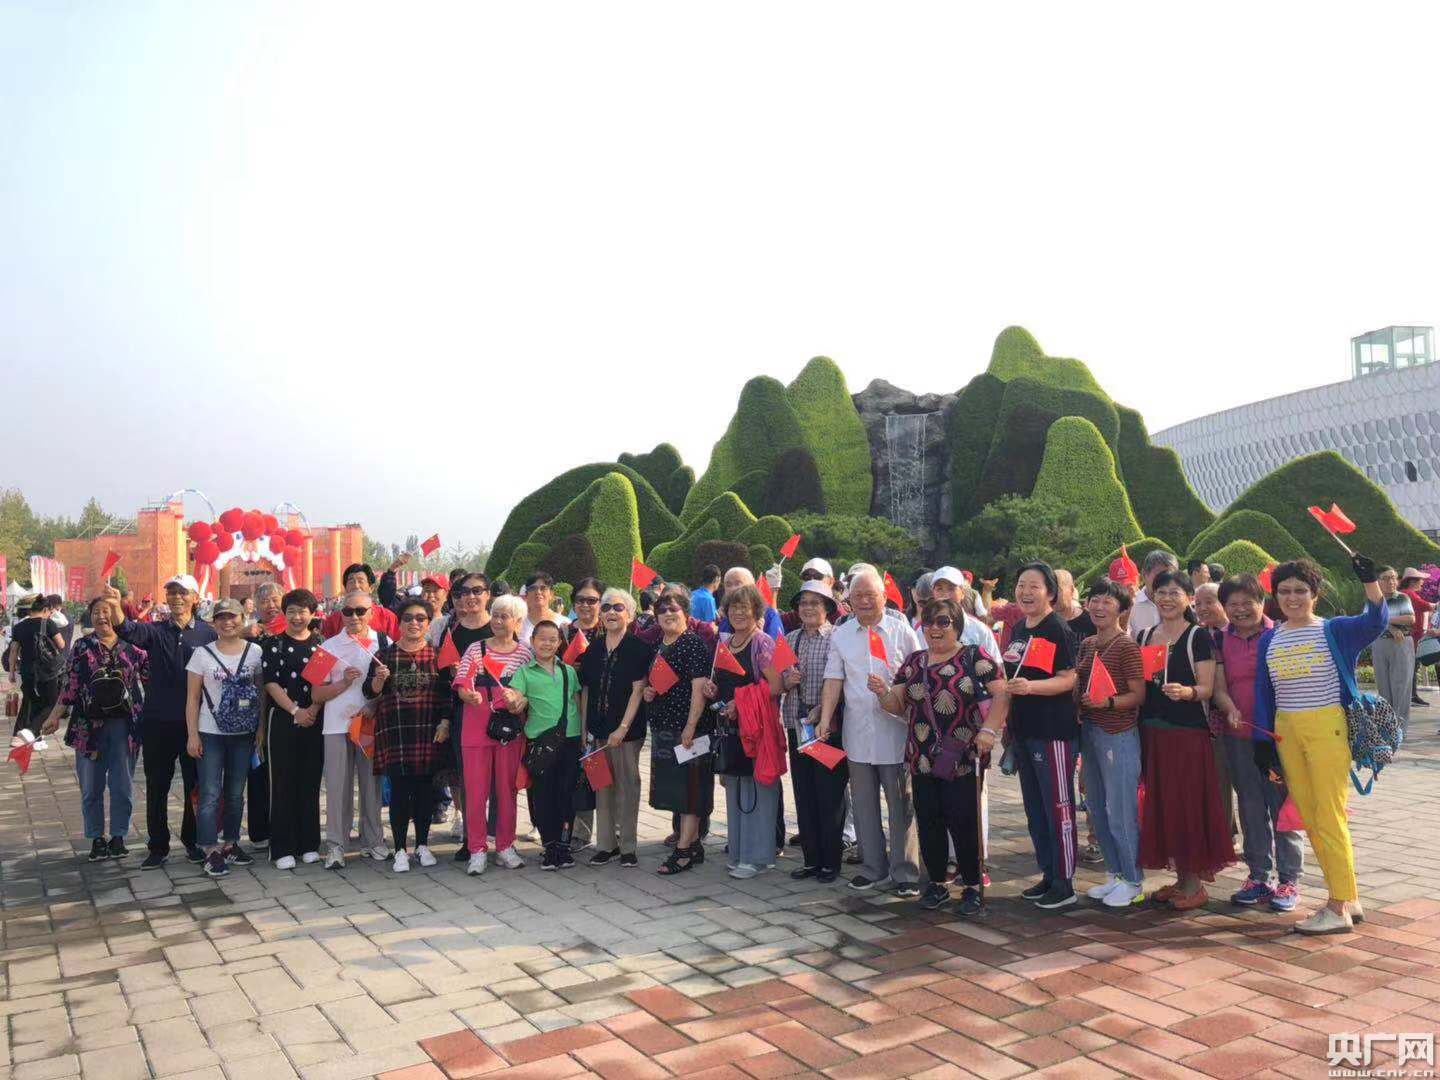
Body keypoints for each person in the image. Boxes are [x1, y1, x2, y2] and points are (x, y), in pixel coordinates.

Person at [1255, 555, 1386, 934]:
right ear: (1275, 595)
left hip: (1327, 726)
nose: (1292, 598)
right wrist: (1263, 742)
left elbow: (1375, 622)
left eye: (1301, 590)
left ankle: (1337, 906)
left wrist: (1370, 582)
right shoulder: (1269, 639)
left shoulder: (1335, 630)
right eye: (1284, 591)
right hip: (1286, 731)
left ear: (1315, 594)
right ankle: (1348, 895)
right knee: (1310, 817)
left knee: (1328, 815)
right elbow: (1264, 693)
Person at [880, 597, 1009, 915]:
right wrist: (881, 693)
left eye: (943, 622)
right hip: (921, 757)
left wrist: (989, 730)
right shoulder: (914, 662)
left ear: (957, 625)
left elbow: (1002, 693)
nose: (934, 628)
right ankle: (937, 883)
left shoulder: (974, 657)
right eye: (928, 622)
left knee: (964, 822)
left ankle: (972, 886)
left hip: (962, 756)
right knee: (929, 821)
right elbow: (897, 705)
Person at [819, 570, 922, 896]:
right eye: (857, 596)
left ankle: (905, 872)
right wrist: (825, 718)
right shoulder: (842, 634)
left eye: (870, 595)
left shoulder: (902, 632)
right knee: (863, 806)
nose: (863, 601)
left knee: (901, 807)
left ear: (884, 597)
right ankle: (872, 868)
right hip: (858, 734)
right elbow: (834, 679)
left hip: (895, 733)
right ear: (848, 599)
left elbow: (918, 676)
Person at [1134, 571, 1233, 908]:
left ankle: (1194, 886)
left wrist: (1186, 692)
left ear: (1188, 597)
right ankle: (1180, 879)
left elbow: (1207, 688)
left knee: (1187, 805)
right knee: (1164, 805)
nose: (1166, 599)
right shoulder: (1145, 636)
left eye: (1174, 592)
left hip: (1187, 735)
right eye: (1161, 592)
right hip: (1153, 732)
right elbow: (1142, 683)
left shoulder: (1197, 636)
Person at [1207, 574, 1302, 911]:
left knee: (1281, 806)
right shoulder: (1219, 639)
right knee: (1249, 806)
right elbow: (1219, 688)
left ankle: (1289, 880)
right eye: (1232, 604)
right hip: (1238, 739)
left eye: (1247, 602)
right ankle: (1259, 876)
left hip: (1277, 741)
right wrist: (1229, 709)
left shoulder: (1279, 635)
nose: (1240, 609)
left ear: (1263, 602)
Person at [108, 577, 216, 870]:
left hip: (195, 724)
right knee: (157, 786)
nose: (177, 597)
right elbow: (126, 629)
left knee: (196, 784)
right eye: (172, 592)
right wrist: (116, 606)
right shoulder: (155, 631)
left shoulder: (207, 633)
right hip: (158, 721)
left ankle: (193, 841)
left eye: (182, 592)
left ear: (195, 598)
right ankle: (158, 846)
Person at [40, 595, 149, 861]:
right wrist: (54, 716)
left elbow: (152, 682)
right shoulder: (82, 646)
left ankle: (119, 836)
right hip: (87, 728)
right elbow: (71, 685)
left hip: (125, 727)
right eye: (96, 611)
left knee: (122, 785)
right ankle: (96, 838)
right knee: (91, 786)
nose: (102, 616)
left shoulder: (135, 647)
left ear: (118, 614)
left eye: (107, 611)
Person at [1001, 562, 1080, 909]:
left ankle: (1065, 882)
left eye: (1034, 586)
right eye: (1021, 585)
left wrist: (1031, 687)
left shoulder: (1057, 628)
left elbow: (1069, 678)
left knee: (1058, 808)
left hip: (1053, 733)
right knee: (1036, 810)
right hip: (1024, 731)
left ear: (1050, 592)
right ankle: (1048, 874)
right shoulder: (1020, 628)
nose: (1026, 592)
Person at [1072, 580, 1147, 907]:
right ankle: (1115, 874)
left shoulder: (1126, 646)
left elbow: (1138, 695)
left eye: (1107, 602)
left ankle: (1133, 880)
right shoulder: (1088, 643)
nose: (1099, 607)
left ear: (1122, 609)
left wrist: (1109, 703)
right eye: (1094, 600)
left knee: (1120, 811)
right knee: (1097, 809)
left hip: (1118, 734)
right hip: (1090, 732)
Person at [363, 598, 449, 872]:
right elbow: (369, 691)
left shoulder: (437, 654)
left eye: (421, 618)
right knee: (400, 791)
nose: (414, 623)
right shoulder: (384, 655)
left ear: (428, 623)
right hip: (396, 731)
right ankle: (400, 848)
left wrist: (445, 722)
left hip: (428, 731)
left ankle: (422, 845)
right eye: (408, 618)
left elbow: (447, 694)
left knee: (425, 790)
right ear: (399, 623)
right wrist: (378, 679)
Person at [451, 593, 532, 875]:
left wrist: (520, 700)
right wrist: (467, 694)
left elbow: (530, 690)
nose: (497, 621)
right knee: (475, 791)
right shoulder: (476, 649)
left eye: (504, 616)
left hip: (509, 729)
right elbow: (462, 683)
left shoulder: (525, 653)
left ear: (517, 622)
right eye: (495, 615)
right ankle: (476, 849)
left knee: (507, 790)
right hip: (475, 727)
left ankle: (505, 846)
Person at [184, 598, 264, 879]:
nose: (228, 622)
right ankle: (209, 848)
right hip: (210, 732)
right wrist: (192, 735)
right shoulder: (201, 654)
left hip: (243, 733)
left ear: (243, 619)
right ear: (213, 623)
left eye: (233, 617)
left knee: (235, 793)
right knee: (209, 793)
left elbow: (261, 694)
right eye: (221, 618)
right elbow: (192, 698)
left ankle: (230, 843)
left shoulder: (255, 652)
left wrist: (261, 730)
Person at [708, 584, 784, 879]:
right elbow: (722, 684)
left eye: (745, 607)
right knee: (736, 790)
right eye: (734, 607)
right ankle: (739, 852)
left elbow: (775, 686)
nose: (738, 612)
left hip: (757, 729)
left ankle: (758, 857)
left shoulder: (762, 643)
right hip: (731, 730)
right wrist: (713, 691)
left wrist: (740, 704)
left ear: (756, 611)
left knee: (757, 792)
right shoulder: (726, 643)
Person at [313, 589, 390, 869]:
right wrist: (343, 683)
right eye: (348, 611)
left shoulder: (385, 643)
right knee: (337, 788)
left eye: (360, 611)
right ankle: (336, 845)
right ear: (341, 614)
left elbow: (391, 688)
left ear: (372, 612)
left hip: (369, 723)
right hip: (336, 726)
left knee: (371, 786)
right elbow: (316, 694)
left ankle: (373, 841)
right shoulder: (327, 646)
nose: (354, 616)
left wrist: (373, 705)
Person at [643, 586, 714, 874]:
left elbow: (699, 689)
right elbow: (657, 683)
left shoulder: (693, 644)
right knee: (678, 789)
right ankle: (693, 845)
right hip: (665, 728)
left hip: (689, 731)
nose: (668, 614)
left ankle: (683, 851)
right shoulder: (660, 645)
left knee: (690, 791)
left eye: (674, 609)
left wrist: (690, 727)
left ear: (686, 613)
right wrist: (649, 692)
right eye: (662, 610)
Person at [577, 588, 650, 867]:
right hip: (597, 729)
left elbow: (638, 690)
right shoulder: (594, 648)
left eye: (618, 608)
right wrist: (584, 728)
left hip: (627, 733)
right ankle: (606, 845)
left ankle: (628, 845)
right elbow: (586, 690)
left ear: (629, 614)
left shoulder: (638, 648)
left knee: (627, 787)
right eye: (606, 607)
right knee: (602, 788)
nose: (611, 612)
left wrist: (622, 728)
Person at [780, 581, 847, 883]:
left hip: (826, 729)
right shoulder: (789, 638)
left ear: (828, 607)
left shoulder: (838, 638)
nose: (807, 608)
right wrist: (787, 682)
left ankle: (831, 861)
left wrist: (824, 708)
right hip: (798, 726)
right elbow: (777, 682)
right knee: (804, 793)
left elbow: (845, 681)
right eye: (803, 603)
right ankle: (811, 860)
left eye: (814, 602)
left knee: (829, 794)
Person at [503, 621, 581, 870]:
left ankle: (564, 846)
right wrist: (513, 699)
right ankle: (550, 846)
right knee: (543, 795)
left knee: (566, 794)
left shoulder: (568, 671)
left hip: (570, 739)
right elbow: (516, 698)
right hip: (540, 743)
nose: (547, 644)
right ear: (533, 641)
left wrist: (584, 734)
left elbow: (576, 701)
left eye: (552, 639)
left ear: (559, 643)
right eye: (542, 639)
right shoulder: (524, 672)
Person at [261, 589, 325, 870]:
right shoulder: (273, 644)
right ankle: (282, 847)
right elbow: (271, 683)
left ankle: (309, 844)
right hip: (284, 719)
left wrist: (312, 710)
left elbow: (321, 683)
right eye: (292, 612)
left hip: (314, 719)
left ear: (312, 614)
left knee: (310, 781)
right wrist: (296, 711)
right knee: (283, 782)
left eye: (302, 611)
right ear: (284, 614)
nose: (297, 617)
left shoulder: (320, 645)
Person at [433, 572, 494, 858]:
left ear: (488, 595)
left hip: (497, 713)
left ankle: (501, 837)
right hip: (463, 715)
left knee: (499, 779)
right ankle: (472, 838)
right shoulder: (452, 633)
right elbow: (443, 682)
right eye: (464, 592)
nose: (471, 597)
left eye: (477, 591)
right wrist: (445, 719)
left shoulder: (500, 627)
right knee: (468, 779)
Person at [565, 576, 606, 852]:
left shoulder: (609, 631)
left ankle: (611, 832)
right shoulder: (564, 633)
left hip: (604, 709)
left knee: (603, 772)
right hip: (571, 710)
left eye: (592, 600)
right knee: (580, 771)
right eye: (580, 600)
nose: (586, 605)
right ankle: (580, 831)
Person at [7, 594, 66, 739]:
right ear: (45, 609)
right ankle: (32, 730)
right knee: (51, 703)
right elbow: (61, 644)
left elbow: (13, 651)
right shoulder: (48, 624)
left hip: (27, 670)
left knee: (30, 701)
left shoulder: (19, 627)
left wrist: (12, 672)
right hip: (47, 670)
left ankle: (22, 737)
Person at [1372, 566, 1416, 727]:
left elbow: (1410, 619)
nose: (1391, 581)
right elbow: (1369, 621)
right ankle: (1387, 728)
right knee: (1383, 687)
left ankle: (1400, 730)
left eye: (1393, 577)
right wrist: (1390, 627)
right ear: (1378, 581)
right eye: (1386, 578)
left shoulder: (1402, 598)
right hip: (1380, 644)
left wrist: (1385, 620)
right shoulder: (1373, 600)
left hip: (1401, 643)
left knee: (1401, 687)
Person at [321, 564, 399, 639]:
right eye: (351, 582)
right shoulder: (333, 621)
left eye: (361, 581)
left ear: (371, 588)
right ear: (345, 589)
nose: (356, 586)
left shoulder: (388, 618)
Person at [717, 567, 785, 639]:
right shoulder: (725, 618)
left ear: (752, 586)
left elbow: (776, 644)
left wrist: (759, 637)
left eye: (738, 583)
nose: (733, 589)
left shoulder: (769, 616)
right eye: (728, 585)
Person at [1399, 568, 1433, 707]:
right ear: (1412, 581)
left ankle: (1411, 695)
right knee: (1411, 667)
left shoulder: (1406, 593)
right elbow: (1426, 606)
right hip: (1411, 638)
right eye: (1421, 580)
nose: (1423, 582)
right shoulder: (1409, 594)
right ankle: (1411, 696)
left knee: (1412, 667)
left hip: (1412, 637)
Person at [1128, 550, 1179, 636]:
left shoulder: (1182, 604)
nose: (1164, 580)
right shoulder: (1131, 605)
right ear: (1144, 575)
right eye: (1159, 575)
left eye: (1169, 575)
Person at [519, 572, 571, 646]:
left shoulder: (564, 623)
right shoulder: (517, 624)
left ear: (551, 594)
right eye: (533, 588)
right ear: (526, 595)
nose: (538, 592)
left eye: (543, 588)